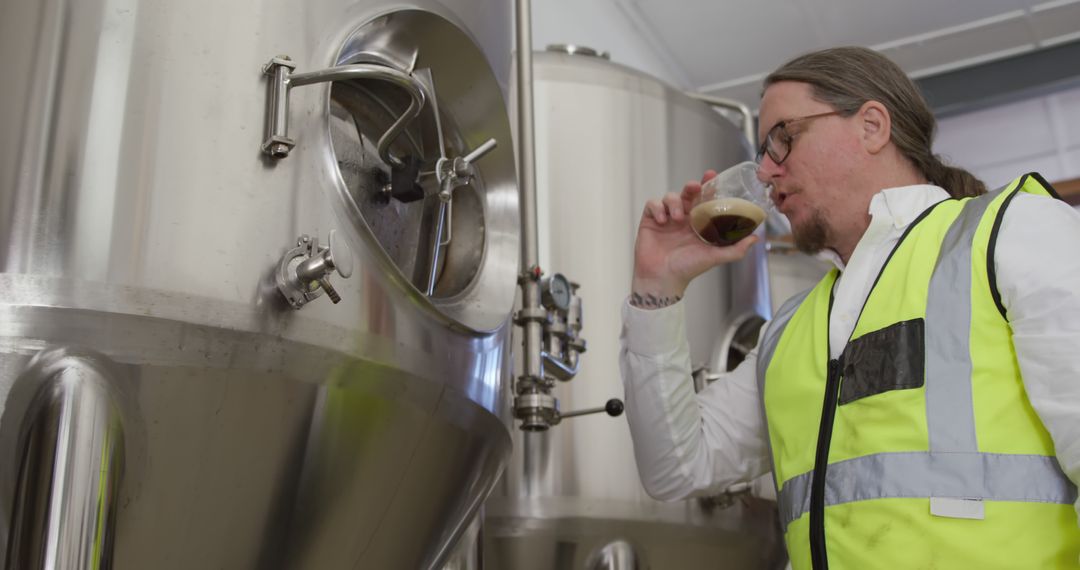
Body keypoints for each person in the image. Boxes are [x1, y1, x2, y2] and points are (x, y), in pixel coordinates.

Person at [619, 46, 1080, 569]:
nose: (766, 173)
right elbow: (674, 469)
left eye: (782, 139)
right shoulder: (789, 330)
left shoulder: (1010, 231)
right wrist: (658, 285)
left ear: (871, 125)